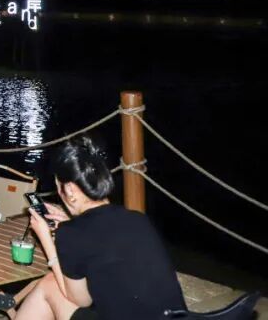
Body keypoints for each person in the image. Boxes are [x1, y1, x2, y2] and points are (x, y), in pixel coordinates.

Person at [19, 136, 185, 320]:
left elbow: (80, 299)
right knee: (52, 281)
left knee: (50, 285)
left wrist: (46, 239)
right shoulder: (137, 218)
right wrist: (71, 222)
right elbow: (102, 239)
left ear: (71, 190)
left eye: (59, 188)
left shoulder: (72, 234)